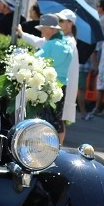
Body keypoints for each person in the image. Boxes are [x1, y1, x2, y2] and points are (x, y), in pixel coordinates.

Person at [36, 13, 73, 143]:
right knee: (58, 121)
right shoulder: (66, 44)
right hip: (62, 87)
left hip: (48, 88)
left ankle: (45, 148)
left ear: (51, 29)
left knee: (45, 120)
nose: (42, 33)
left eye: (43, 29)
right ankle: (57, 148)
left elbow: (34, 60)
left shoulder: (51, 45)